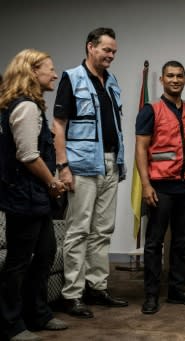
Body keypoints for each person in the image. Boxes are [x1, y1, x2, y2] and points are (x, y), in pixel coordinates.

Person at [52, 27, 128, 319]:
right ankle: (73, 294)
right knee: (78, 229)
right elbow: (59, 124)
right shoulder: (72, 78)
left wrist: (117, 163)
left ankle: (97, 286)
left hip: (110, 162)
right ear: (90, 47)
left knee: (102, 230)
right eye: (106, 50)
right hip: (81, 165)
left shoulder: (112, 81)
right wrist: (63, 166)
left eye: (114, 52)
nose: (111, 55)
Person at [0, 49, 68, 341]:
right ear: (31, 72)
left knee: (44, 254)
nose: (54, 75)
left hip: (35, 198)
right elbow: (28, 156)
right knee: (18, 262)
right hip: (23, 197)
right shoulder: (25, 107)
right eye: (50, 70)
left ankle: (37, 314)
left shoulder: (31, 106)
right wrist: (53, 182)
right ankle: (10, 324)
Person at [136, 60, 185, 315]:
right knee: (154, 243)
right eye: (170, 76)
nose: (175, 80)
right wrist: (145, 184)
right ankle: (151, 295)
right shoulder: (150, 110)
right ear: (162, 80)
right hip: (160, 187)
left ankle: (176, 290)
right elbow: (141, 148)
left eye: (179, 76)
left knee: (181, 241)